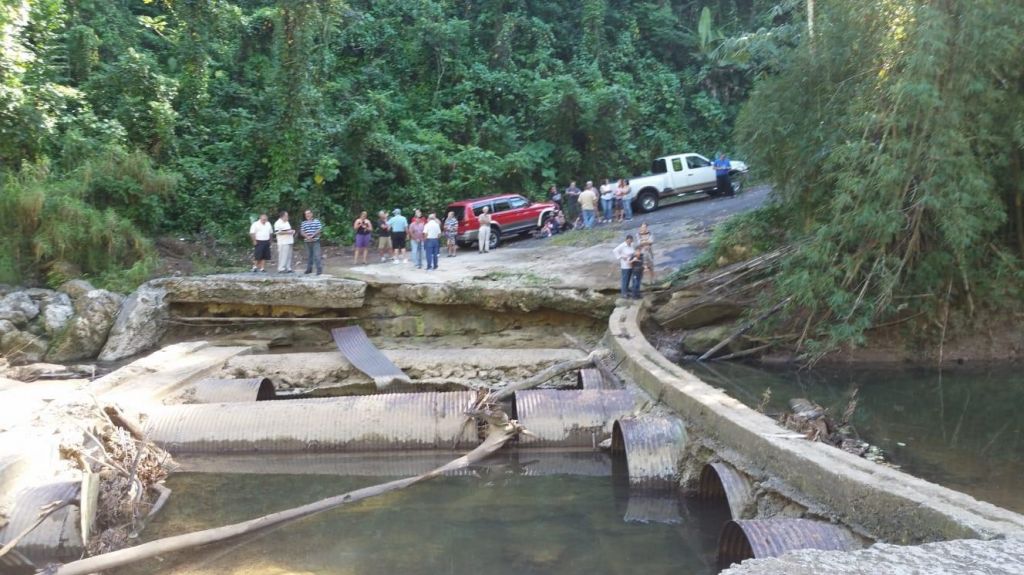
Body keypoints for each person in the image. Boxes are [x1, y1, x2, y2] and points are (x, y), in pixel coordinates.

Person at [299, 209, 323, 275]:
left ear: (311, 214)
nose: (307, 215)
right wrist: (307, 237)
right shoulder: (303, 223)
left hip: (315, 241)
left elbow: (319, 229)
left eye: (308, 213)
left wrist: (312, 235)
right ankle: (309, 269)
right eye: (306, 214)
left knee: (317, 255)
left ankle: (319, 270)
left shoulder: (317, 221)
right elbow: (302, 232)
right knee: (309, 256)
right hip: (307, 241)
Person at [613, 235, 635, 299]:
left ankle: (627, 290)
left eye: (630, 241)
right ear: (626, 240)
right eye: (628, 241)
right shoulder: (622, 245)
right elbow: (615, 250)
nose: (629, 242)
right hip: (625, 265)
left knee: (628, 278)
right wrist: (621, 257)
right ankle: (624, 293)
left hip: (631, 264)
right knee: (624, 279)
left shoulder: (632, 245)